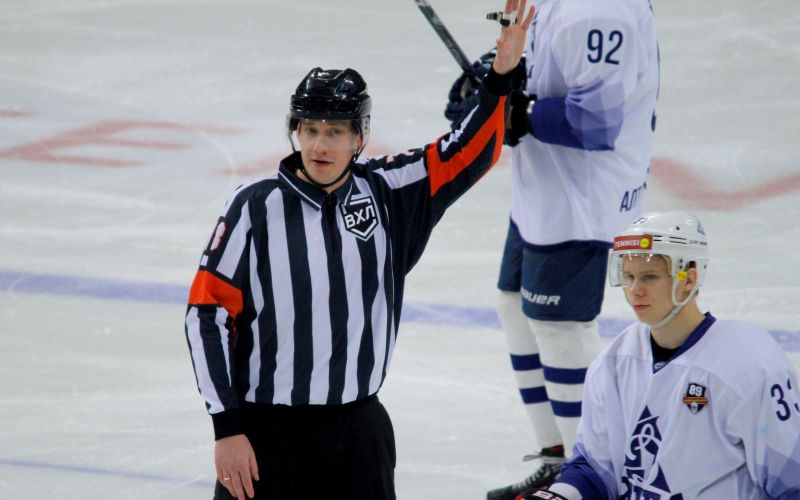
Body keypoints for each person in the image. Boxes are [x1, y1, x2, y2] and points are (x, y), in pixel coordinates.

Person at [183, 2, 535, 499]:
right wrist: (227, 428)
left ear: (359, 137)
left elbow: (466, 153)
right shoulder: (254, 207)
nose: (319, 146)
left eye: (334, 131)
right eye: (309, 129)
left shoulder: (390, 192)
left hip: (359, 434)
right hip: (266, 435)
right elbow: (206, 314)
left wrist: (501, 76)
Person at [445, 1, 660, 498]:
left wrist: (516, 112)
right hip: (546, 188)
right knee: (513, 306)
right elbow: (547, 60)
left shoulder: (599, 12)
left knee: (560, 329)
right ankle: (559, 461)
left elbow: (595, 120)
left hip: (582, 200)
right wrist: (498, 77)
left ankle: (596, 479)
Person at [519, 211, 800, 499]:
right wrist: (561, 495)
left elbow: (792, 481)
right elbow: (594, 468)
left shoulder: (748, 364)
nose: (634, 290)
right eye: (628, 276)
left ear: (688, 279)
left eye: (649, 277)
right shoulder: (615, 362)